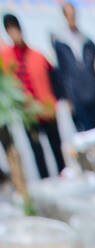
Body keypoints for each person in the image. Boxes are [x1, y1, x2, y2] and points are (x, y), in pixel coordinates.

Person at [1, 13, 65, 177]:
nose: (15, 34)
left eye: (16, 29)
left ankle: (65, 178)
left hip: (47, 111)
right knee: (38, 153)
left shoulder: (38, 56)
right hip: (29, 114)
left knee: (57, 150)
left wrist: (55, 102)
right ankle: (46, 184)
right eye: (11, 30)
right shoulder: (7, 59)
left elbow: (55, 81)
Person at [52, 1, 95, 131]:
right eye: (68, 15)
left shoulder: (87, 41)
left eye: (73, 14)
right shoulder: (60, 43)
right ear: (64, 17)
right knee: (87, 132)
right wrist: (67, 98)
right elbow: (62, 73)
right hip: (78, 99)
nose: (71, 18)